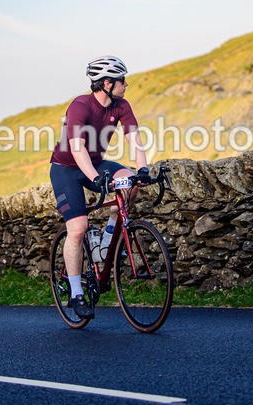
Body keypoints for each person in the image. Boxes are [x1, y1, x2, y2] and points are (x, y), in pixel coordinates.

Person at [49, 56, 149, 318]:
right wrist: (95, 178)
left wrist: (143, 169)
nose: (126, 85)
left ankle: (105, 243)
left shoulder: (121, 106)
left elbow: (134, 138)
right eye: (122, 80)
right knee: (78, 228)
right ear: (107, 83)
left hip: (95, 162)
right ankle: (76, 293)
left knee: (131, 183)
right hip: (66, 169)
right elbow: (77, 147)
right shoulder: (80, 106)